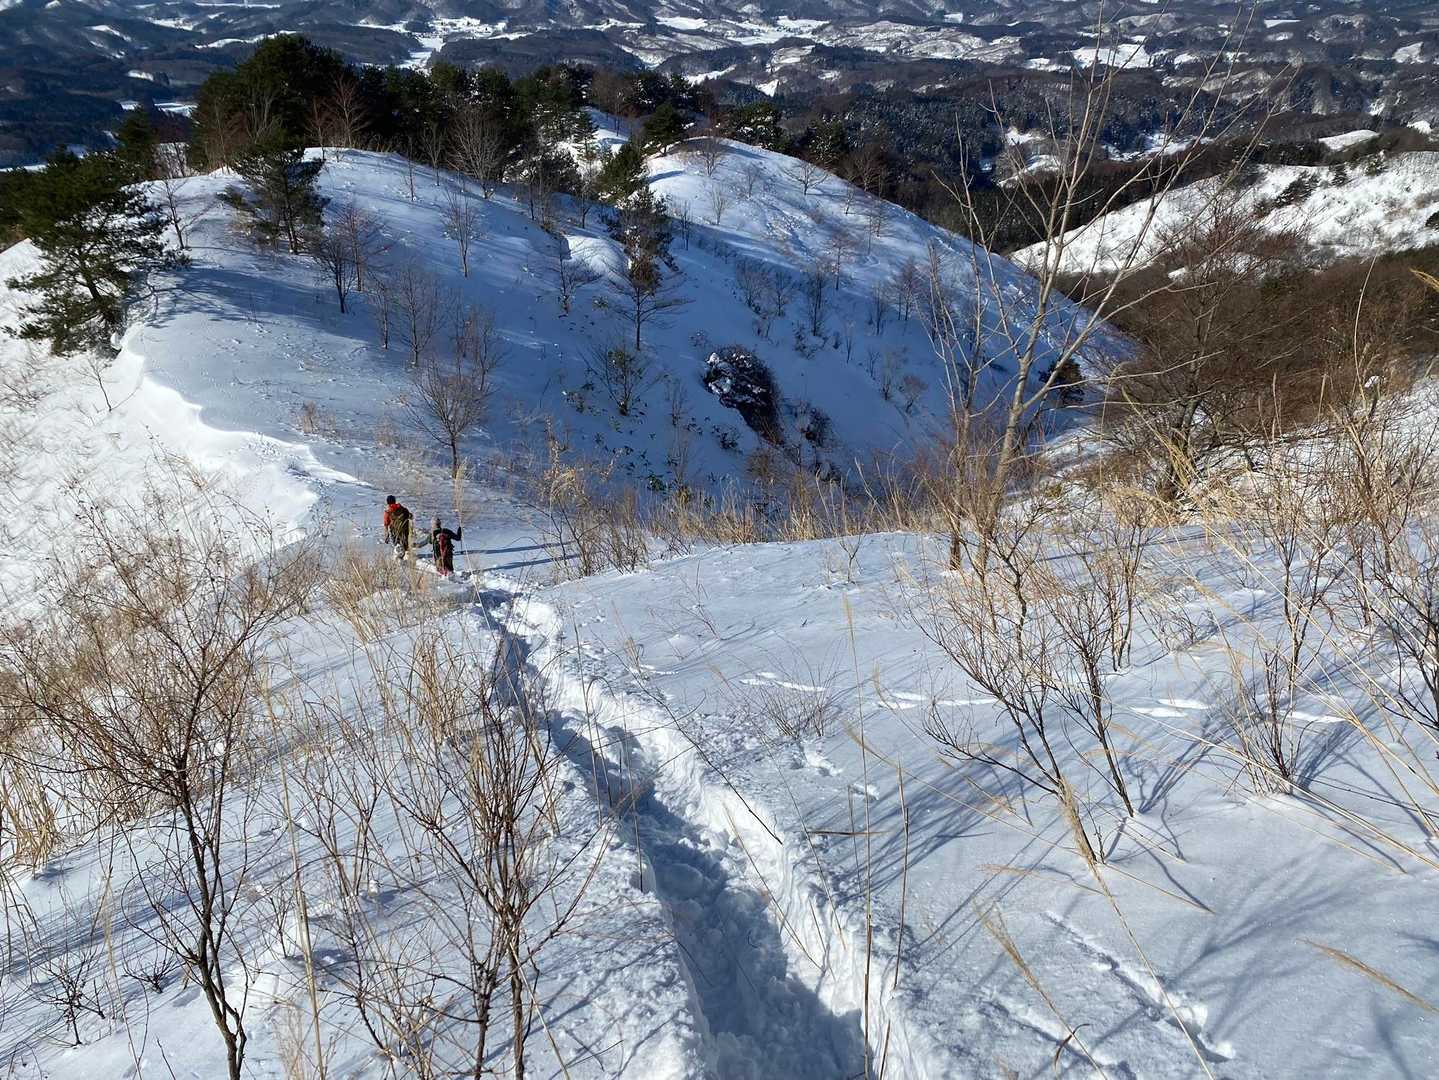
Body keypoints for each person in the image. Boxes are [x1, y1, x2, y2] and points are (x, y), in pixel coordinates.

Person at [383, 495, 413, 561]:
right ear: (395, 501)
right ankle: (407, 555)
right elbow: (411, 516)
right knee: (405, 545)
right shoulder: (403, 509)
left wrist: (386, 535)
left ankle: (398, 559)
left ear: (387, 502)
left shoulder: (388, 512)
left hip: (394, 532)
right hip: (405, 531)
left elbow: (386, 525)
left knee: (397, 544)